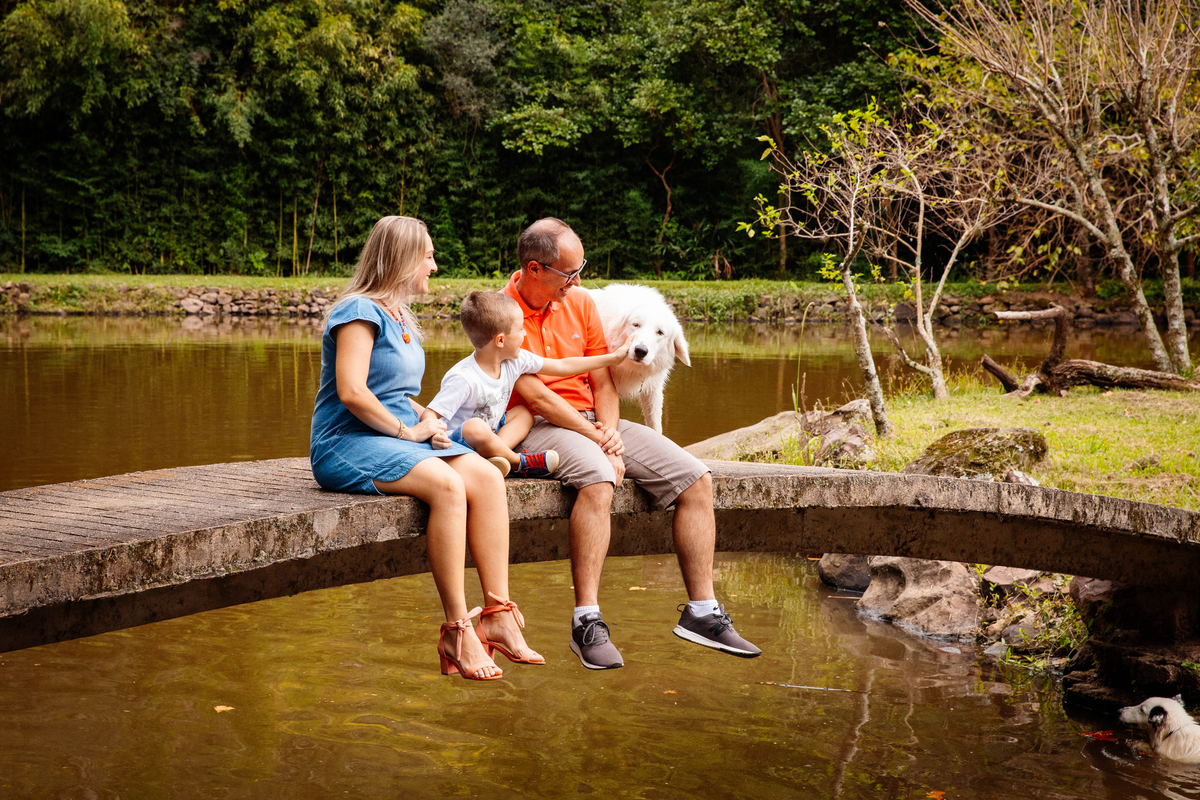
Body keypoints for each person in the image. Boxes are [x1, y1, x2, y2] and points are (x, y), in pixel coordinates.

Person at [501, 217, 762, 670]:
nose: (579, 281)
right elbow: (535, 393)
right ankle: (587, 621)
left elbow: (603, 381)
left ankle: (702, 612)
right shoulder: (501, 312)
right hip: (533, 424)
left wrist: (611, 434)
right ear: (535, 268)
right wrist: (600, 441)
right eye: (569, 273)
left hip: (592, 423)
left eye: (581, 269)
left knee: (696, 478)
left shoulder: (580, 302)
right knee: (600, 479)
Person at [310, 216, 542, 681]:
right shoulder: (358, 311)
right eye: (429, 255)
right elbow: (353, 393)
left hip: (393, 434)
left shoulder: (402, 318)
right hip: (346, 443)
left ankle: (497, 612)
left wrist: (427, 421)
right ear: (404, 258)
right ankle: (458, 630)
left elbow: (394, 393)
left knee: (485, 476)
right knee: (449, 485)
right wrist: (405, 432)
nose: (434, 266)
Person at [421, 291, 634, 478]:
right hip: (459, 442)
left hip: (492, 433)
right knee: (476, 427)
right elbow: (430, 414)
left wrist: (612, 358)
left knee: (523, 413)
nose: (524, 334)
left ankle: (491, 459)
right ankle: (518, 462)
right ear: (501, 341)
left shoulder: (516, 360)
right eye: (521, 329)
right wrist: (435, 435)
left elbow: (562, 366)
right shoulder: (463, 377)